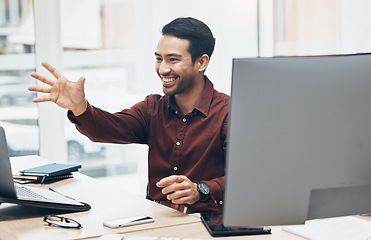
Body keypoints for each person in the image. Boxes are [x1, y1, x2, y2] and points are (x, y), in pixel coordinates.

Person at [28, 17, 229, 213]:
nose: (162, 68)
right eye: (158, 58)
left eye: (173, 59)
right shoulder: (153, 108)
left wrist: (200, 189)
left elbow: (248, 178)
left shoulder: (229, 113)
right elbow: (107, 128)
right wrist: (80, 107)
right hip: (158, 219)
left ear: (201, 62)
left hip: (207, 225)